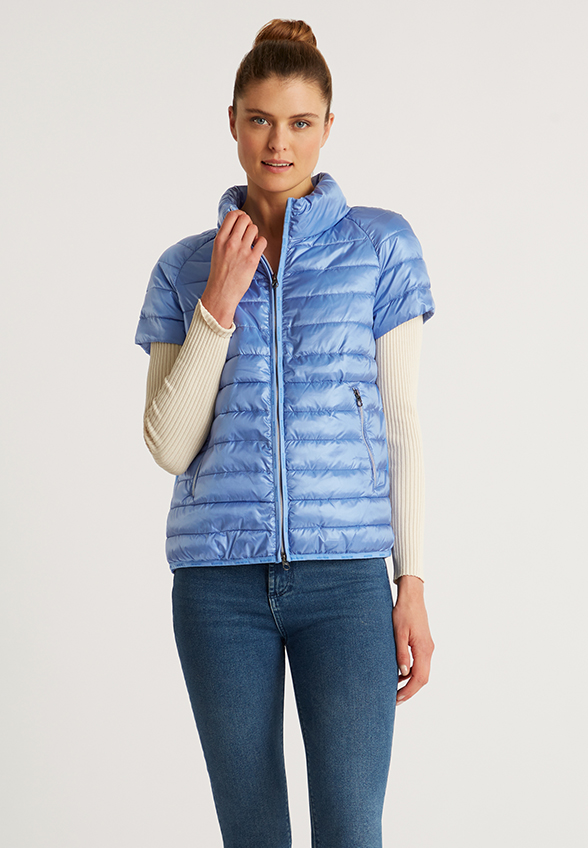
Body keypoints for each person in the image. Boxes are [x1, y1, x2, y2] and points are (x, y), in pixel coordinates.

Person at [135, 18, 435, 848]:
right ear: (232, 122)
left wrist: (410, 583)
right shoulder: (183, 268)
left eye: (300, 122)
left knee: (351, 830)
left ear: (328, 127)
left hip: (346, 583)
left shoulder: (380, 248)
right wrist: (217, 302)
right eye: (261, 120)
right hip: (217, 586)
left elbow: (403, 425)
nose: (279, 142)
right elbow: (168, 446)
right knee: (253, 835)